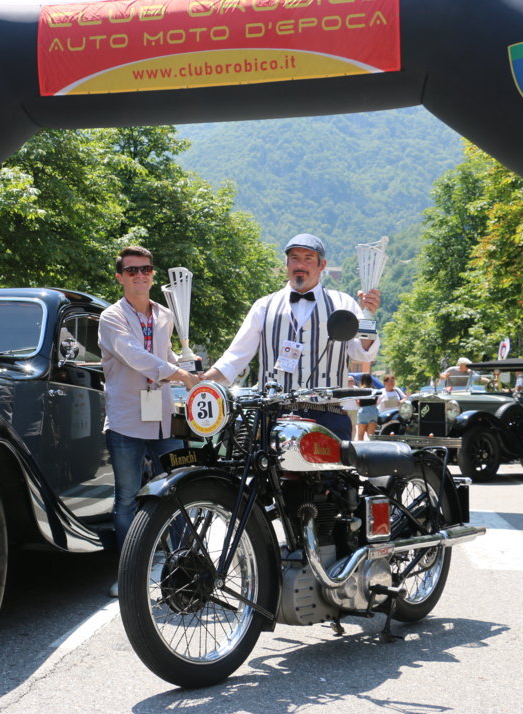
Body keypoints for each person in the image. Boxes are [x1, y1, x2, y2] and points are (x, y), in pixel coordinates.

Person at [201, 234, 380, 440]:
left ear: (322, 265)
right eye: (294, 258)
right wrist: (203, 380)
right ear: (286, 264)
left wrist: (368, 314)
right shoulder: (264, 306)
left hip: (328, 415)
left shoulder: (343, 303)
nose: (300, 264)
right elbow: (235, 357)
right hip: (274, 415)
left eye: (308, 258)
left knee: (331, 473)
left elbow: (362, 352)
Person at [99, 245, 199, 597]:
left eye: (146, 269)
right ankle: (131, 576)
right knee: (127, 498)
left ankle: (183, 571)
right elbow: (133, 356)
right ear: (120, 277)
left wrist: (186, 364)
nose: (140, 275)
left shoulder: (165, 315)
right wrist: (176, 372)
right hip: (126, 419)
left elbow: (162, 354)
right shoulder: (111, 317)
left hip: (161, 417)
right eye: (132, 271)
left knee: (177, 493)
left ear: (153, 274)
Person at [355, 373, 379, 441]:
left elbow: (358, 402)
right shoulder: (374, 389)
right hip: (373, 411)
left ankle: (360, 450)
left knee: (360, 435)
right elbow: (376, 401)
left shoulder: (361, 390)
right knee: (371, 436)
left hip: (363, 411)